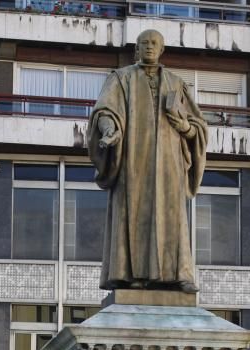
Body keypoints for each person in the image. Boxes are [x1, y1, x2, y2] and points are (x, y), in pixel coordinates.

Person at [88, 29, 207, 292]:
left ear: (162, 49)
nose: (149, 47)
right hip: (134, 161)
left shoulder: (177, 83)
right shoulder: (121, 78)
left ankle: (179, 275)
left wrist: (185, 127)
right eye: (144, 43)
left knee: (172, 216)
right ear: (136, 49)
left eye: (154, 43)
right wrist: (110, 130)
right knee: (133, 213)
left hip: (169, 164)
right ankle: (132, 275)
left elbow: (198, 126)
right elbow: (105, 110)